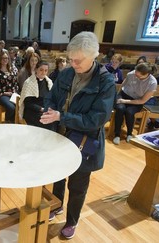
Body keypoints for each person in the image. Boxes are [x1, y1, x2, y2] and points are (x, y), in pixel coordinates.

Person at [40, 31, 115, 239]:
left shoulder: (105, 83)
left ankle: (72, 220)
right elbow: (51, 97)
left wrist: (61, 116)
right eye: (71, 59)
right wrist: (49, 111)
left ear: (94, 56)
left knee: (78, 184)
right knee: (57, 177)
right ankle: (57, 206)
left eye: (78, 60)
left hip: (84, 141)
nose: (73, 64)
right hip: (60, 135)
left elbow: (97, 119)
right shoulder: (66, 73)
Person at [113, 63, 157, 145]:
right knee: (120, 109)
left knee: (129, 112)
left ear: (147, 74)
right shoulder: (131, 74)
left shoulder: (152, 82)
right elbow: (123, 85)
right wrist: (118, 96)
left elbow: (142, 101)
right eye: (135, 73)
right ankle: (117, 134)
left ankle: (129, 134)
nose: (135, 76)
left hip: (138, 100)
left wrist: (124, 101)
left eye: (138, 76)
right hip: (124, 94)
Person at [19, 60, 53, 127]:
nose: (43, 72)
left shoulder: (49, 82)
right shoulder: (28, 82)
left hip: (45, 109)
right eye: (41, 70)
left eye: (46, 70)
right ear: (36, 69)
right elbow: (27, 103)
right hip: (32, 111)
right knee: (47, 122)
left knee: (56, 120)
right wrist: (41, 109)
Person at [0, 50, 19, 123]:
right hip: (0, 94)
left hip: (12, 93)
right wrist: (4, 92)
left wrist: (13, 92)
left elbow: (15, 83)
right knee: (11, 107)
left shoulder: (12, 69)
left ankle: (13, 122)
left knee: (19, 106)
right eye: (3, 58)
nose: (5, 60)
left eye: (7, 58)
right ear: (0, 59)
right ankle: (7, 122)